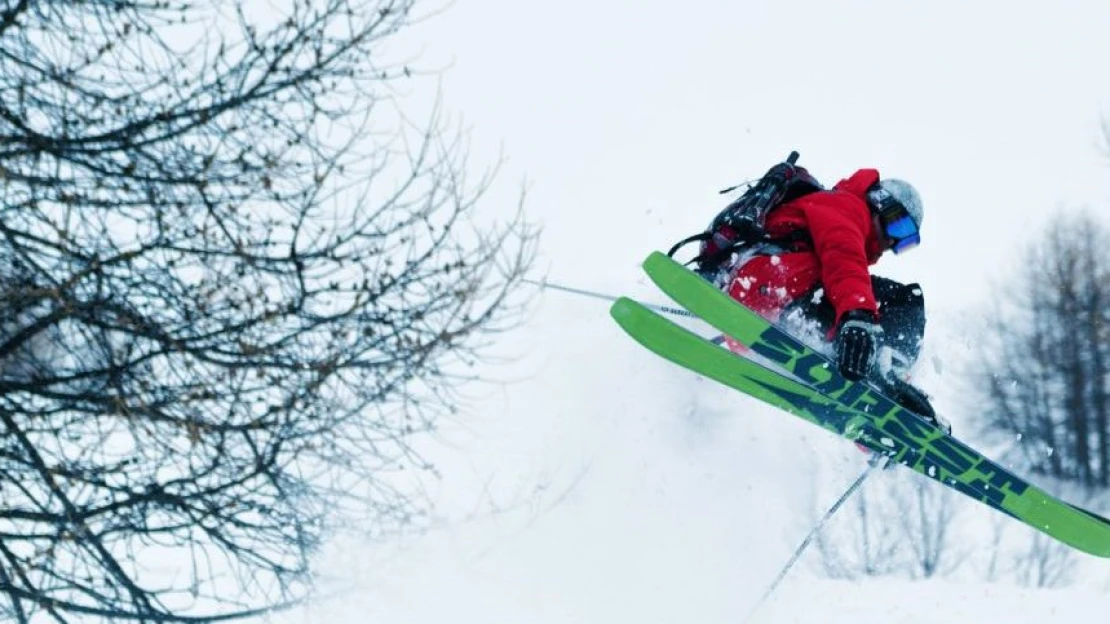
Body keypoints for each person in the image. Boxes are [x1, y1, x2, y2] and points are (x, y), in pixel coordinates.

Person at [706, 167, 946, 432]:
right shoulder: (846, 206)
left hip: (762, 301)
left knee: (855, 344)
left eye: (906, 241)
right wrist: (859, 317)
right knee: (904, 300)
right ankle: (890, 375)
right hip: (773, 282)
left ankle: (879, 399)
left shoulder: (841, 216)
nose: (893, 240)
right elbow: (843, 259)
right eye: (899, 226)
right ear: (880, 202)